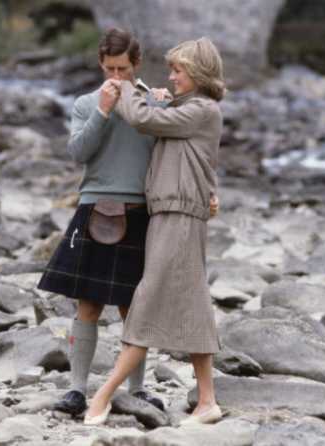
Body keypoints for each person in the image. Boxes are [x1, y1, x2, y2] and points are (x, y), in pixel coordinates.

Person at [38, 28, 218, 416]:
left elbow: (186, 152)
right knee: (87, 305)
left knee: (135, 308)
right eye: (109, 69)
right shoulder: (86, 103)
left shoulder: (155, 103)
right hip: (95, 205)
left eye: (122, 69)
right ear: (100, 65)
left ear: (136, 64)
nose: (116, 76)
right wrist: (103, 111)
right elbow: (78, 152)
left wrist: (207, 190)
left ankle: (136, 390)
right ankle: (76, 390)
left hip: (141, 211)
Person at [83, 37, 225, 427]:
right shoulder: (187, 108)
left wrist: (128, 88)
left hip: (179, 216)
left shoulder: (202, 110)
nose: (172, 77)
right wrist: (152, 96)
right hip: (171, 213)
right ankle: (207, 401)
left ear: (198, 73)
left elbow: (145, 120)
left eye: (178, 70)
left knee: (145, 301)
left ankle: (102, 395)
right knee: (193, 303)